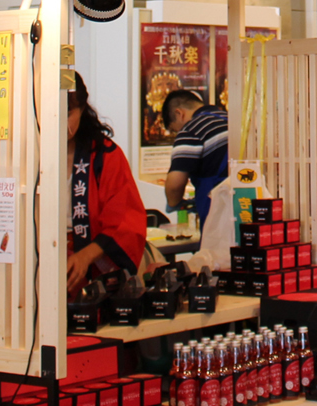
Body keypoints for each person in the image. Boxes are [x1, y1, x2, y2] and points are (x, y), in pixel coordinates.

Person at [66, 72, 149, 296]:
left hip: (89, 266)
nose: (59, 122)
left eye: (68, 113)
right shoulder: (29, 156)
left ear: (82, 108)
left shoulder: (105, 155)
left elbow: (125, 219)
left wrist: (85, 255)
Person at [163, 89, 228, 227]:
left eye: (175, 130)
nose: (177, 133)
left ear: (179, 114)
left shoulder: (191, 130)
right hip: (248, 205)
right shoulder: (232, 119)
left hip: (217, 213)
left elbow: (175, 185)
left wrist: (174, 203)